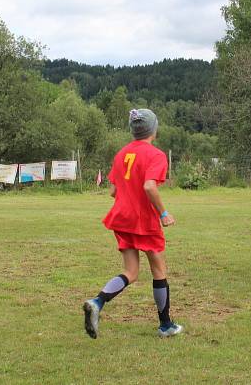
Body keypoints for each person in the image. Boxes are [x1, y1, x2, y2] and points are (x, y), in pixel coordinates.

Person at [83, 109, 183, 339]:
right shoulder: (156, 155)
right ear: (154, 129)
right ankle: (166, 325)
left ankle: (97, 302)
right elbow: (149, 186)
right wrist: (164, 213)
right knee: (158, 270)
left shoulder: (121, 154)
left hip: (121, 218)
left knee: (131, 271)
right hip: (143, 220)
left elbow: (113, 191)